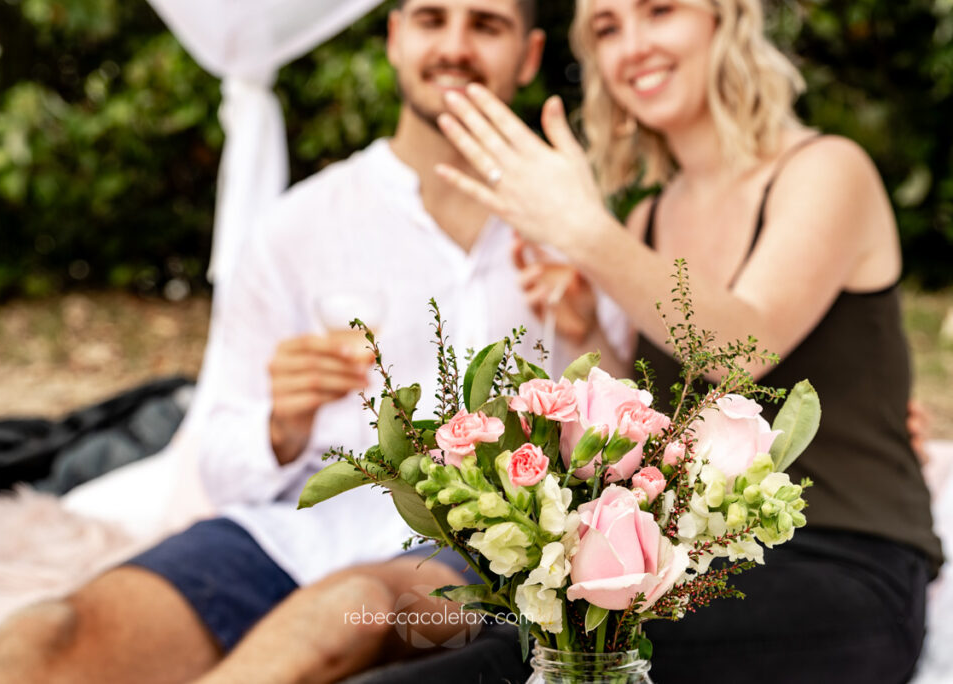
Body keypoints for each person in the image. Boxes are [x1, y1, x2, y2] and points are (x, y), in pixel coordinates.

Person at [0, 2, 631, 684]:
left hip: (476, 560)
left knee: (336, 616)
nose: (454, 45)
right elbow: (220, 463)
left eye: (485, 24)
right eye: (430, 18)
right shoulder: (299, 227)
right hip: (288, 538)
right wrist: (282, 424)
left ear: (530, 54)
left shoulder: (572, 224)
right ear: (394, 38)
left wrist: (583, 331)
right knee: (48, 632)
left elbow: (629, 459)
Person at [356, 0, 938, 681]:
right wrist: (584, 327)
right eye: (606, 27)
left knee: (508, 667)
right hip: (688, 567)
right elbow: (653, 430)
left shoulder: (828, 171)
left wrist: (583, 230)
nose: (632, 45)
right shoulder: (651, 219)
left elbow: (741, 351)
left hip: (847, 568)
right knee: (453, 636)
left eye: (659, 10)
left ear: (726, 20)